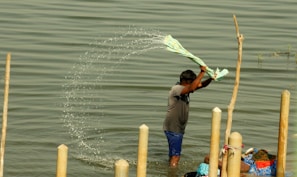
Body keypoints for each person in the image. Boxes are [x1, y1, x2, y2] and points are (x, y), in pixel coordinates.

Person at [163, 66, 215, 168]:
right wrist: (202, 72)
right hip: (174, 128)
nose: (193, 85)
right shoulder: (177, 89)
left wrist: (211, 78)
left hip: (177, 128)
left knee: (174, 154)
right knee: (176, 157)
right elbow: (192, 87)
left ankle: (170, 170)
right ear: (185, 81)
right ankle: (173, 173)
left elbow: (201, 85)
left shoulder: (185, 89)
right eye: (192, 82)